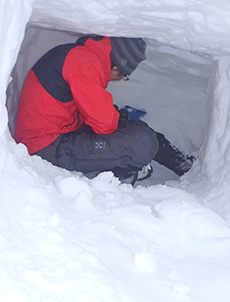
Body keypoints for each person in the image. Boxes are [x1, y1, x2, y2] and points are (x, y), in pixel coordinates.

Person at [15, 35, 194, 184]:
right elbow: (104, 124)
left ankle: (185, 166)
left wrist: (122, 121)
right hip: (44, 145)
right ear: (116, 67)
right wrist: (121, 124)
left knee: (141, 132)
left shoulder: (83, 57)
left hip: (63, 131)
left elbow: (89, 109)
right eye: (122, 76)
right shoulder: (84, 63)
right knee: (142, 142)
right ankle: (119, 175)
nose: (117, 79)